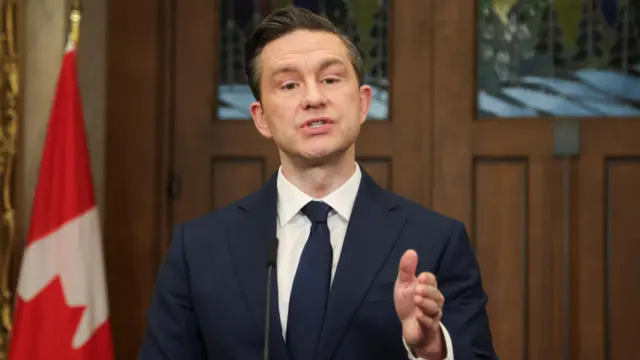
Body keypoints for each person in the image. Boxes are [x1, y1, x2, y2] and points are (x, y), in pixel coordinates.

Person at [139, 6, 498, 360]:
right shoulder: (199, 249)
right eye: (289, 84)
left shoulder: (434, 242)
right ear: (260, 117)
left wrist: (431, 349)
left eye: (329, 79)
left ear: (362, 103)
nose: (313, 98)